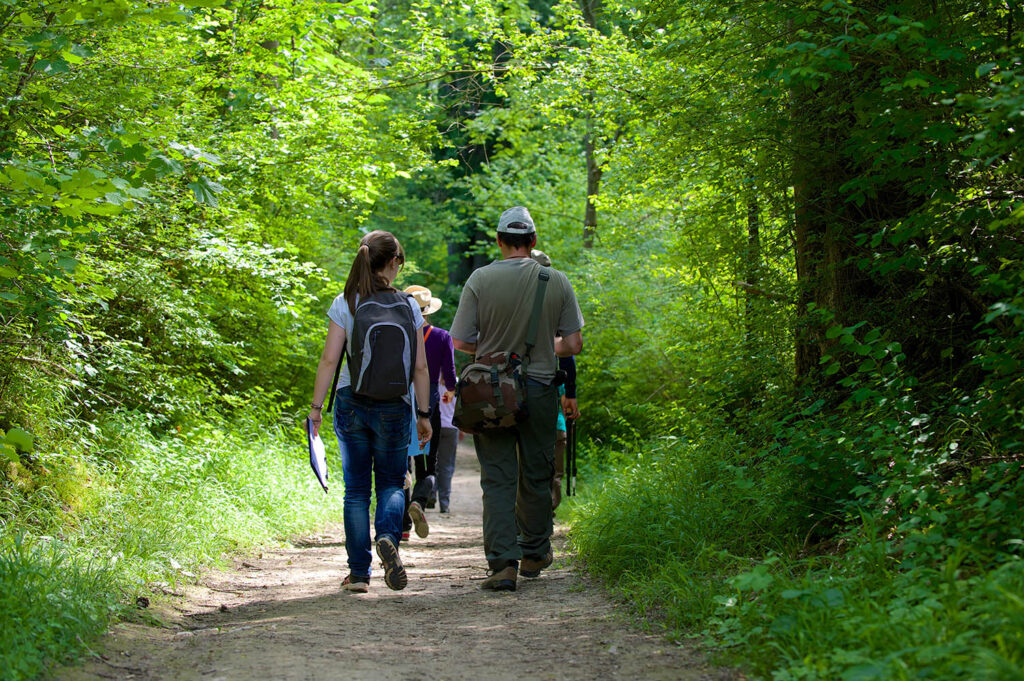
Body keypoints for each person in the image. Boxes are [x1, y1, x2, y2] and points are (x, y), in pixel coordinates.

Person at [450, 206, 584, 592]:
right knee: (537, 473)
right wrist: (543, 345)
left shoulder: (479, 278)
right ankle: (535, 552)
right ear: (534, 242)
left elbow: (459, 341)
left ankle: (502, 564)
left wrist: (492, 350)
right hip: (541, 389)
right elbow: (573, 343)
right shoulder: (556, 279)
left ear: (498, 241)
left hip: (491, 392)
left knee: (497, 477)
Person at [308, 230, 432, 593]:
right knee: (392, 482)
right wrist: (423, 414)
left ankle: (359, 574)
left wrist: (316, 408)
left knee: (357, 490)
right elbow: (420, 368)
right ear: (392, 263)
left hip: (351, 402)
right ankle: (389, 537)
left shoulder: (346, 301)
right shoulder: (409, 305)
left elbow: (330, 359)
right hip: (395, 405)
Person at [401, 285, 456, 538]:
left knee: (402, 466)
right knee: (428, 465)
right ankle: (419, 502)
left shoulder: (400, 333)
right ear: (428, 310)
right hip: (429, 398)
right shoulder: (442, 336)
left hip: (400, 398)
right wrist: (451, 391)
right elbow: (451, 373)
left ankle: (402, 526)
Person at [531, 249, 580, 512]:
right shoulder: (556, 298)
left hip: (515, 391)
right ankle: (541, 517)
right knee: (549, 465)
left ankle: (528, 519)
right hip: (546, 394)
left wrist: (569, 392)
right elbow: (569, 352)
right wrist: (570, 393)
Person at [434, 379, 459, 514]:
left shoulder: (432, 379)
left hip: (435, 425)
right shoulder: (455, 382)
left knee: (433, 461)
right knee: (447, 466)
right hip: (451, 427)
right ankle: (444, 503)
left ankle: (430, 495)